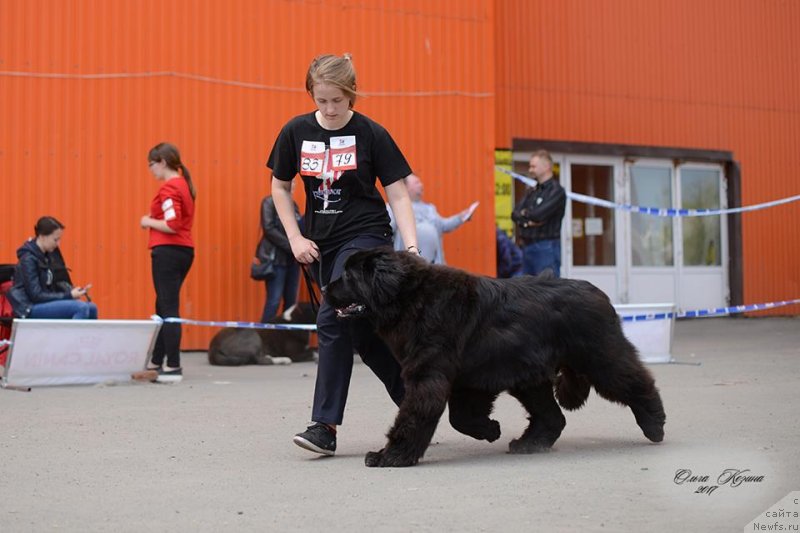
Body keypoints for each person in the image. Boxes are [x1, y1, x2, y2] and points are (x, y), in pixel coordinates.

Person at [267, 53, 419, 456]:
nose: (331, 109)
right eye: (322, 100)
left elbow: (397, 191)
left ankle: (324, 426)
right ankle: (419, 405)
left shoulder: (371, 133)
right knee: (364, 335)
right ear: (311, 96)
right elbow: (280, 187)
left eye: (338, 100)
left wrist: (411, 246)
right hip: (322, 243)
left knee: (332, 314)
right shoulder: (295, 132)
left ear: (352, 95)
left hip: (366, 237)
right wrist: (296, 237)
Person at [140, 142, 196, 384]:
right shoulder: (184, 184)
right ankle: (156, 360)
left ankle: (172, 366)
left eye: (151, 165)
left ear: (162, 162)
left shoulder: (169, 188)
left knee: (168, 308)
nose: (151, 170)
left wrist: (147, 221)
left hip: (168, 251)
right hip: (183, 250)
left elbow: (171, 223)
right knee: (163, 306)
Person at [7, 216, 98, 319]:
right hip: (30, 307)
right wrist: (69, 295)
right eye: (55, 239)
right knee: (80, 308)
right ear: (42, 236)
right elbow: (36, 295)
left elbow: (54, 285)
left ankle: (86, 336)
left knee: (92, 308)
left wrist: (72, 291)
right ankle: (70, 336)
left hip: (42, 303)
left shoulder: (47, 256)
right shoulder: (28, 259)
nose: (58, 244)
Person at [387, 174, 476, 264]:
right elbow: (389, 228)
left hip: (433, 263)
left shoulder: (430, 208)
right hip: (407, 262)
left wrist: (461, 217)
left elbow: (443, 226)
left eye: (420, 182)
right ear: (405, 187)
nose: (421, 185)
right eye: (417, 183)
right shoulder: (394, 207)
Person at [511, 149, 567, 277]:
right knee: (527, 290)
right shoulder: (532, 190)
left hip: (545, 247)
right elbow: (514, 214)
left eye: (533, 166)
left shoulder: (556, 191)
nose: (530, 170)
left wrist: (525, 215)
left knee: (547, 290)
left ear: (546, 166)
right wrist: (529, 221)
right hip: (527, 246)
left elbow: (538, 215)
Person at [258, 183, 302, 322]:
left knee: (291, 303)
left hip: (293, 262)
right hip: (276, 261)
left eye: (294, 182)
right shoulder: (268, 203)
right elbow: (269, 229)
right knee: (274, 301)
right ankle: (263, 338)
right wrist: (293, 246)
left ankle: (286, 340)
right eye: (290, 181)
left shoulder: (294, 206)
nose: (293, 184)